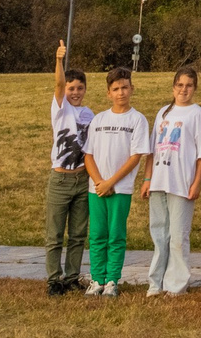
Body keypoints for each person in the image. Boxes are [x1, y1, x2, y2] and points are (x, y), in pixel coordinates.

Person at [83, 66, 149, 298]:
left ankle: (111, 280)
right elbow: (88, 154)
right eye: (116, 89)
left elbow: (135, 156)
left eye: (125, 87)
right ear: (108, 93)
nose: (121, 92)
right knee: (97, 235)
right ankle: (97, 279)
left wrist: (111, 181)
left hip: (120, 188)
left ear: (132, 89)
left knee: (116, 235)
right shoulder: (99, 119)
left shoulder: (137, 120)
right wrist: (99, 181)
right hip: (97, 189)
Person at [145, 65, 201, 297]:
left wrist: (197, 182)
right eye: (180, 85)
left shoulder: (197, 114)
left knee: (178, 236)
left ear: (195, 88)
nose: (184, 89)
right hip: (158, 181)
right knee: (159, 234)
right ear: (173, 87)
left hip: (181, 183)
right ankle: (156, 283)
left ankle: (176, 284)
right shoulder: (163, 112)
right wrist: (147, 179)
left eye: (189, 85)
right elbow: (152, 150)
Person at [46, 41, 93, 296]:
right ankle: (54, 279)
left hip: (82, 179)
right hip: (60, 180)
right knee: (55, 234)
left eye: (80, 88)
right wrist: (58, 61)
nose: (75, 92)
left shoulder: (89, 114)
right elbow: (57, 84)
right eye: (71, 88)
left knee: (77, 234)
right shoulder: (60, 108)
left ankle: (72, 276)